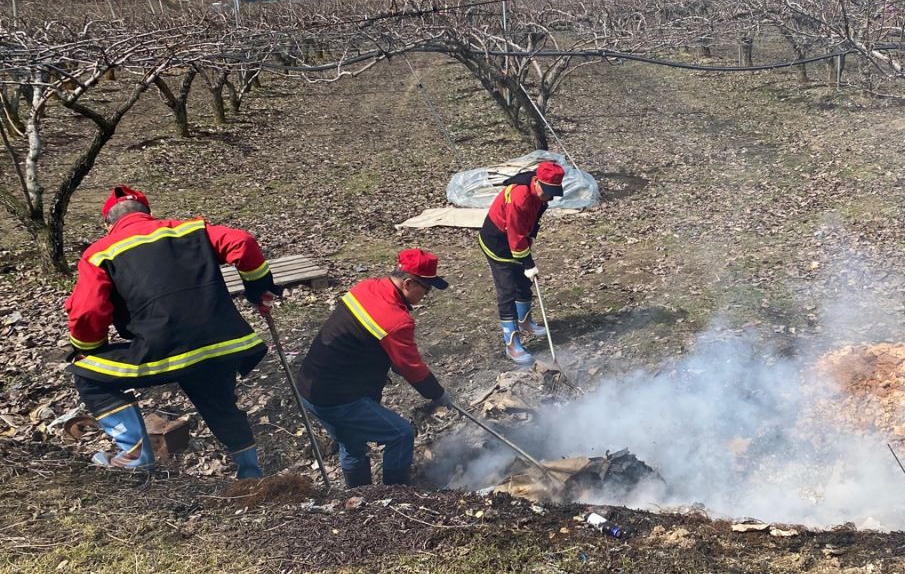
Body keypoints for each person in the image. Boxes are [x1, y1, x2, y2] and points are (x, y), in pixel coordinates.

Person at [65, 186, 280, 478]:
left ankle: (135, 456)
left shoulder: (100, 253)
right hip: (224, 343)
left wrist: (89, 346)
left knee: (87, 374)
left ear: (108, 223)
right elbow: (242, 241)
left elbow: (88, 311)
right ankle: (251, 473)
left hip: (163, 350)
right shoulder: (191, 230)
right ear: (147, 213)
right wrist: (259, 289)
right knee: (218, 401)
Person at [295, 249, 452, 487]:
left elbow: (371, 342)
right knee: (400, 435)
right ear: (408, 283)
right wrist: (438, 394)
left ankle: (361, 497)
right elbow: (412, 368)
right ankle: (396, 494)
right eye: (426, 289)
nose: (426, 294)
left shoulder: (367, 287)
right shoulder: (396, 319)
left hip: (309, 387)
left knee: (352, 444)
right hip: (336, 398)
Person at [478, 160, 564, 366]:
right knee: (508, 290)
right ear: (537, 182)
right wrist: (528, 264)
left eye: (554, 191)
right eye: (547, 191)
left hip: (517, 239)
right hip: (497, 241)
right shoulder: (519, 198)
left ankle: (525, 321)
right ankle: (511, 343)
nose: (549, 196)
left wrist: (532, 234)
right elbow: (515, 236)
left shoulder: (543, 194)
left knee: (524, 284)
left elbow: (537, 215)